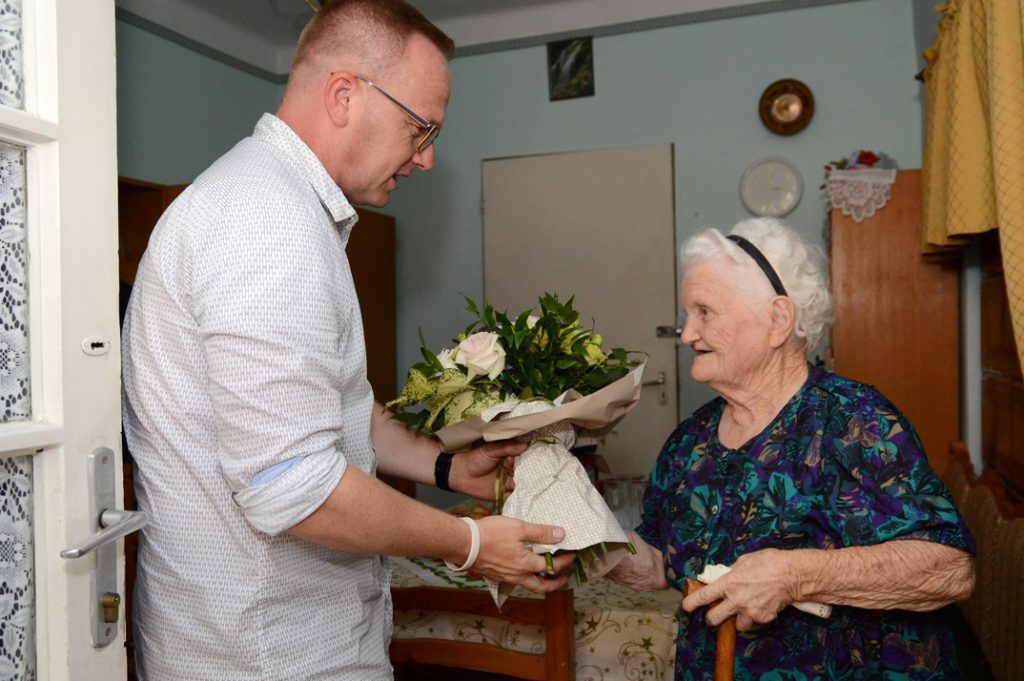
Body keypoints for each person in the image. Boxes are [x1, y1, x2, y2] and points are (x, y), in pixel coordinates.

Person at [121, 2, 573, 679]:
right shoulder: (266, 222)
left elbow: (338, 408)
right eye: (420, 128)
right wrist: (468, 542)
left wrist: (447, 469)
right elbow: (292, 484)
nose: (426, 157)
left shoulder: (283, 208)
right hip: (264, 653)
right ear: (343, 96)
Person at [607, 217, 975, 679]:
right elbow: (660, 562)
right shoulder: (690, 441)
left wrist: (794, 575)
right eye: (687, 315)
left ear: (778, 320)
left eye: (704, 313)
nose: (686, 335)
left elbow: (949, 568)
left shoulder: (851, 419)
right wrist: (586, 544)